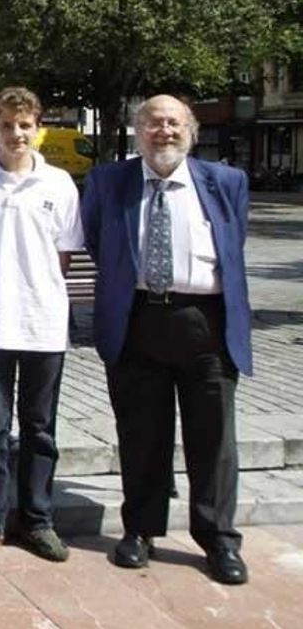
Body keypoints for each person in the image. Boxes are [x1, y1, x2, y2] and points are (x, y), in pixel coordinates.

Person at [82, 95, 252, 586]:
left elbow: (232, 244)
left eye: (173, 123)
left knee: (214, 437)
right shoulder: (109, 182)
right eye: (153, 123)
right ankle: (140, 529)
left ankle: (218, 537)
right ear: (138, 130)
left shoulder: (226, 183)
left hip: (206, 323)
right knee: (142, 433)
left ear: (191, 131)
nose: (164, 132)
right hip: (138, 320)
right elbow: (98, 240)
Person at [0, 88, 83, 563]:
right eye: (7, 125)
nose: (16, 134)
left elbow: (61, 258)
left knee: (40, 428)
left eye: (25, 125)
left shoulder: (60, 184)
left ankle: (38, 520)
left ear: (38, 126)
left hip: (43, 326)